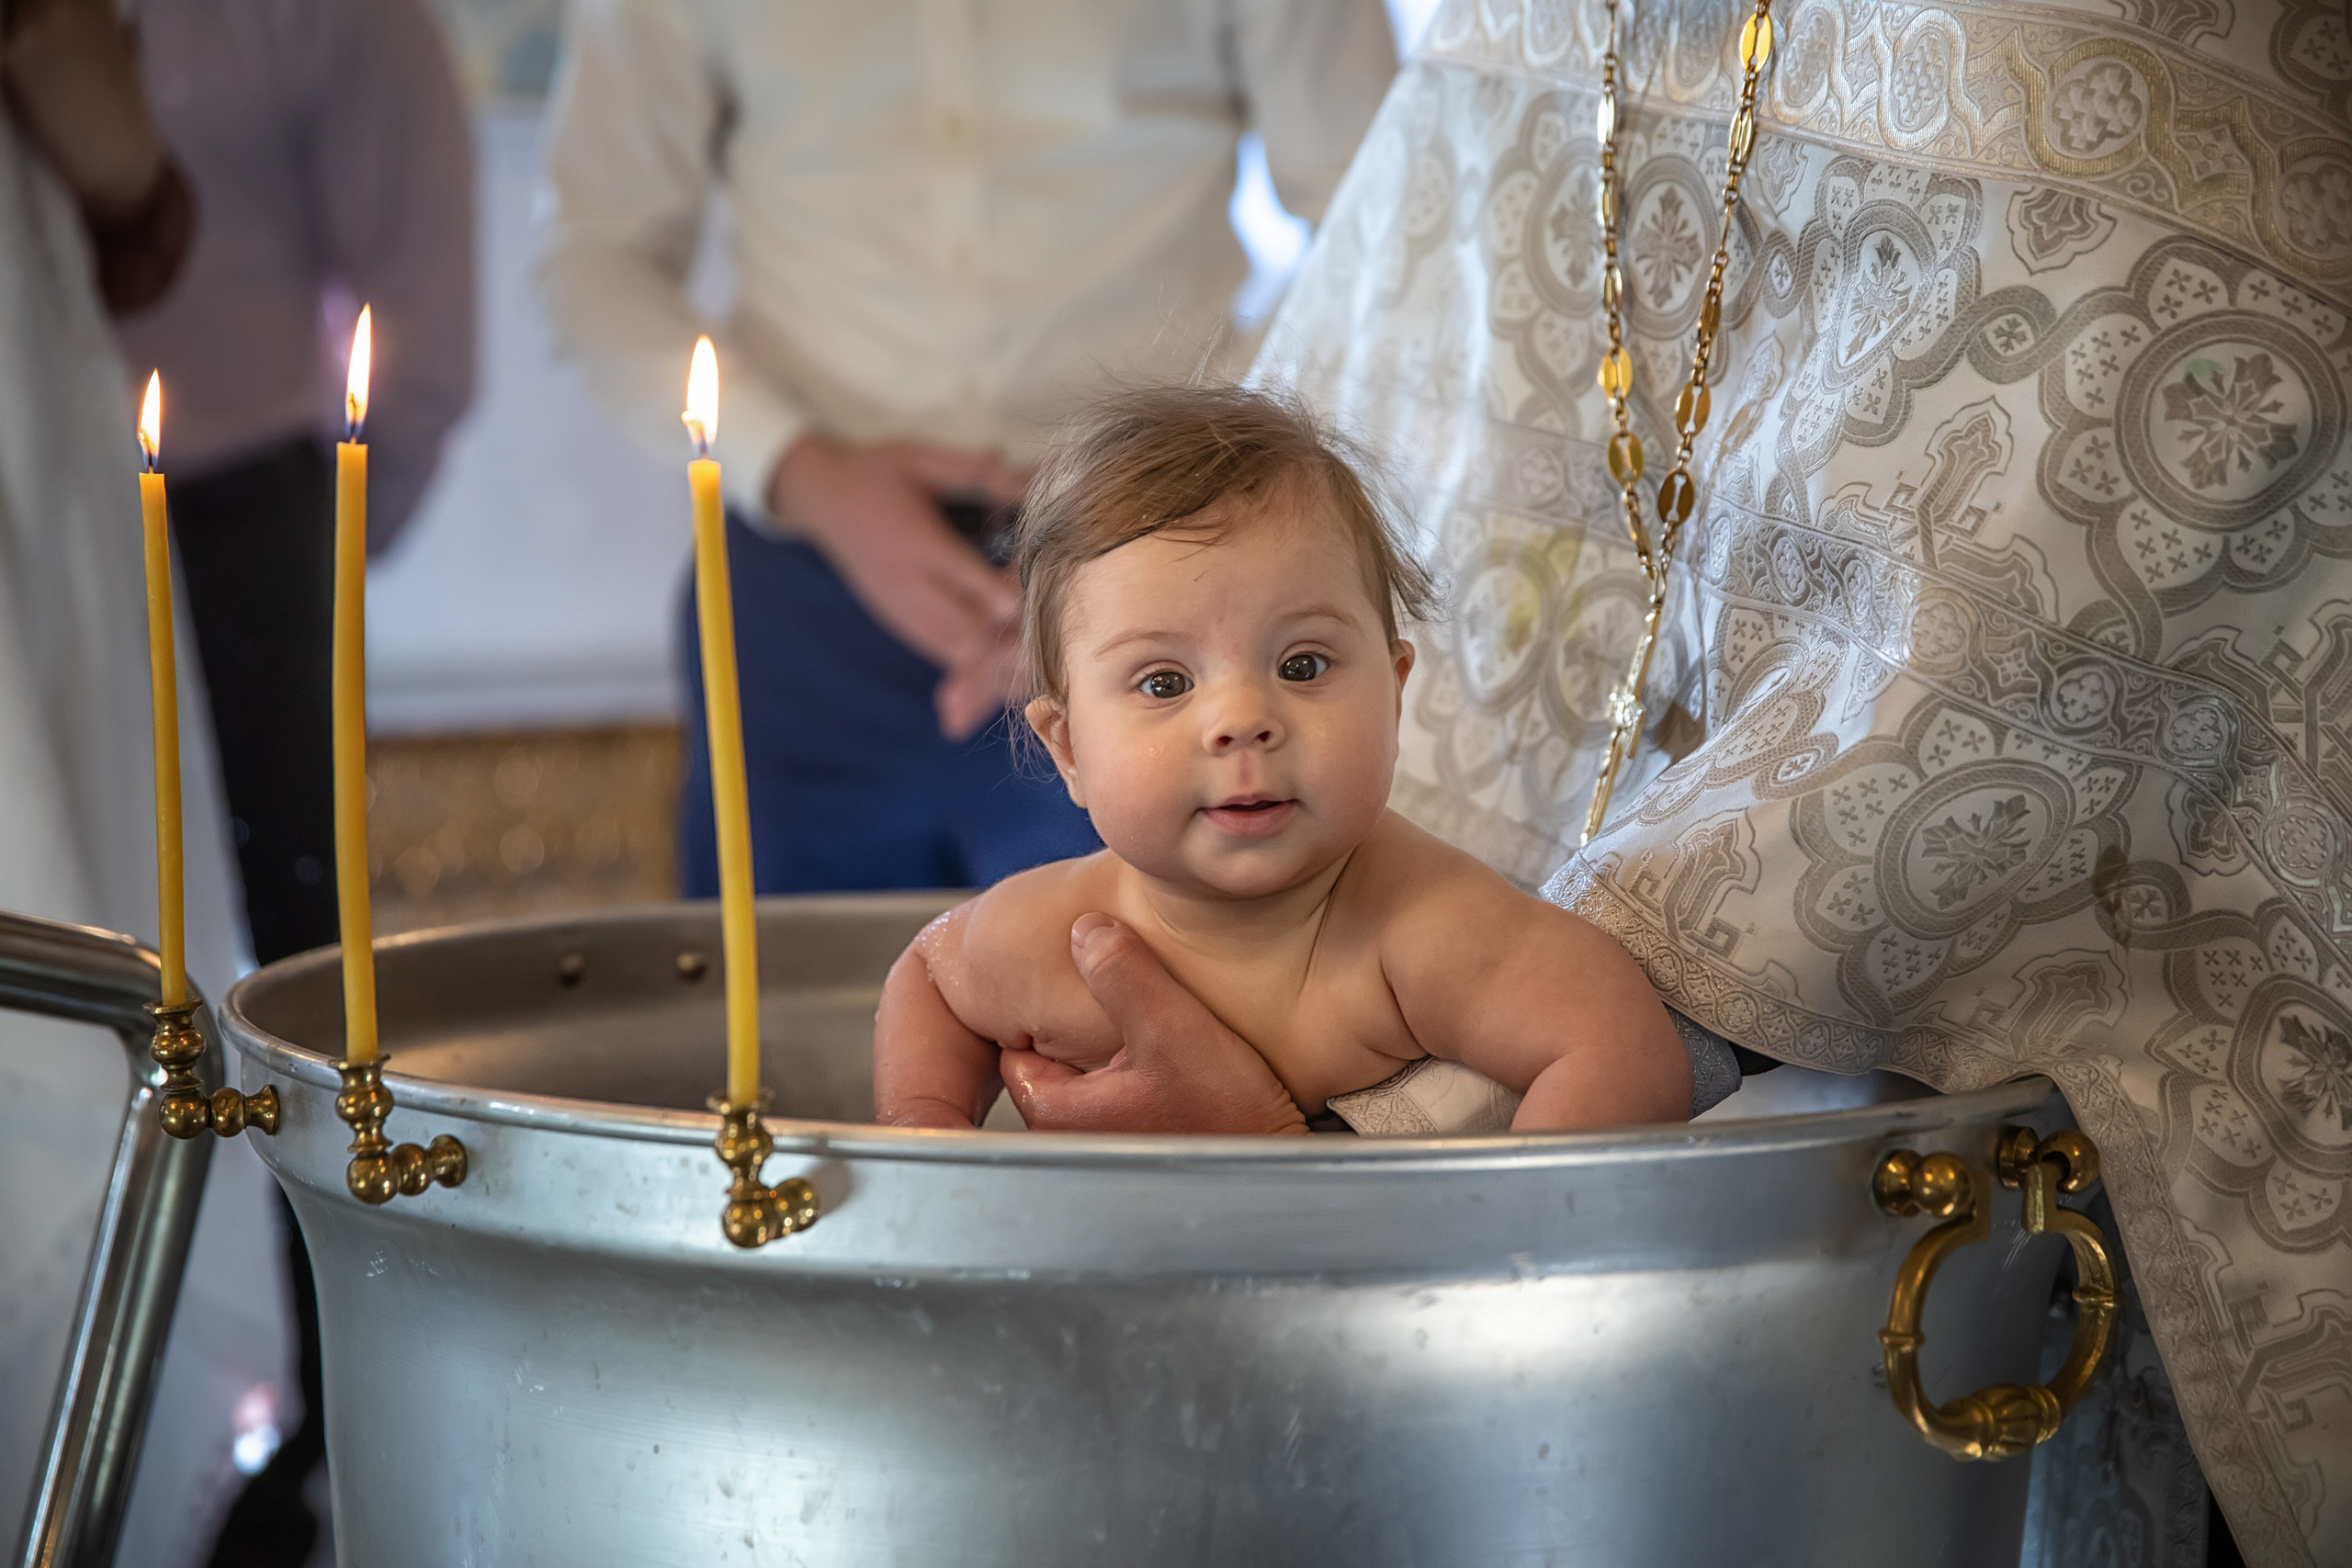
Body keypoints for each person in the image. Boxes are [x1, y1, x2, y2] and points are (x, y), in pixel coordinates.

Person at [534, 0, 1398, 897]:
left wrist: (1167, 493)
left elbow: (1383, 222)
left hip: (1175, 581)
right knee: (780, 1007)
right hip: (808, 597)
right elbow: (595, 256)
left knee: (1149, 1009)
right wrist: (803, 473)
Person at [874, 388, 1692, 1134]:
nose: (1241, 720)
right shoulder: (1053, 936)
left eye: (1302, 665)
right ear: (1070, 749)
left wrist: (1500, 1244)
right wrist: (926, 1129)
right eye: (1165, 681)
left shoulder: (1424, 929)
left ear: (1395, 693)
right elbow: (929, 976)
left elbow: (1621, 1044)